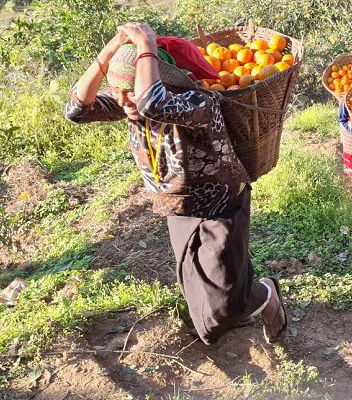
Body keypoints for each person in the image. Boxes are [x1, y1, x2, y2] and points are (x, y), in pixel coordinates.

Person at [65, 22, 287, 346]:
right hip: (178, 210)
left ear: (166, 81)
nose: (122, 99)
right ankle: (237, 302)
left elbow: (150, 102)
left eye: (129, 89)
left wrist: (147, 43)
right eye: (116, 91)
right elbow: (76, 110)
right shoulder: (131, 105)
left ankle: (266, 294)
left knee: (224, 302)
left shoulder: (199, 102)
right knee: (202, 303)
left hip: (220, 207)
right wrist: (112, 47)